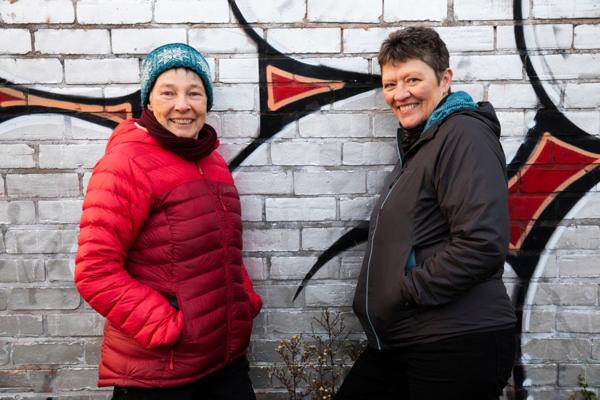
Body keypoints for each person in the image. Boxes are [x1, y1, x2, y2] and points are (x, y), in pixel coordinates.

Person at [335, 27, 516, 400]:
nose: (399, 94)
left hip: (455, 344)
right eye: (390, 84)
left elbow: (482, 243)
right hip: (412, 338)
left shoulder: (464, 135)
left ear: (444, 79)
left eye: (412, 80)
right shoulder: (423, 144)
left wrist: (404, 292)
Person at [74, 43, 262, 400]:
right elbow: (95, 272)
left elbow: (225, 247)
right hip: (161, 373)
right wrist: (168, 326)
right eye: (168, 92)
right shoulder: (126, 163)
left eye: (194, 93)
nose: (182, 105)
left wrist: (243, 301)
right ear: (149, 101)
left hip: (223, 360)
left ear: (207, 101)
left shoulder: (211, 162)